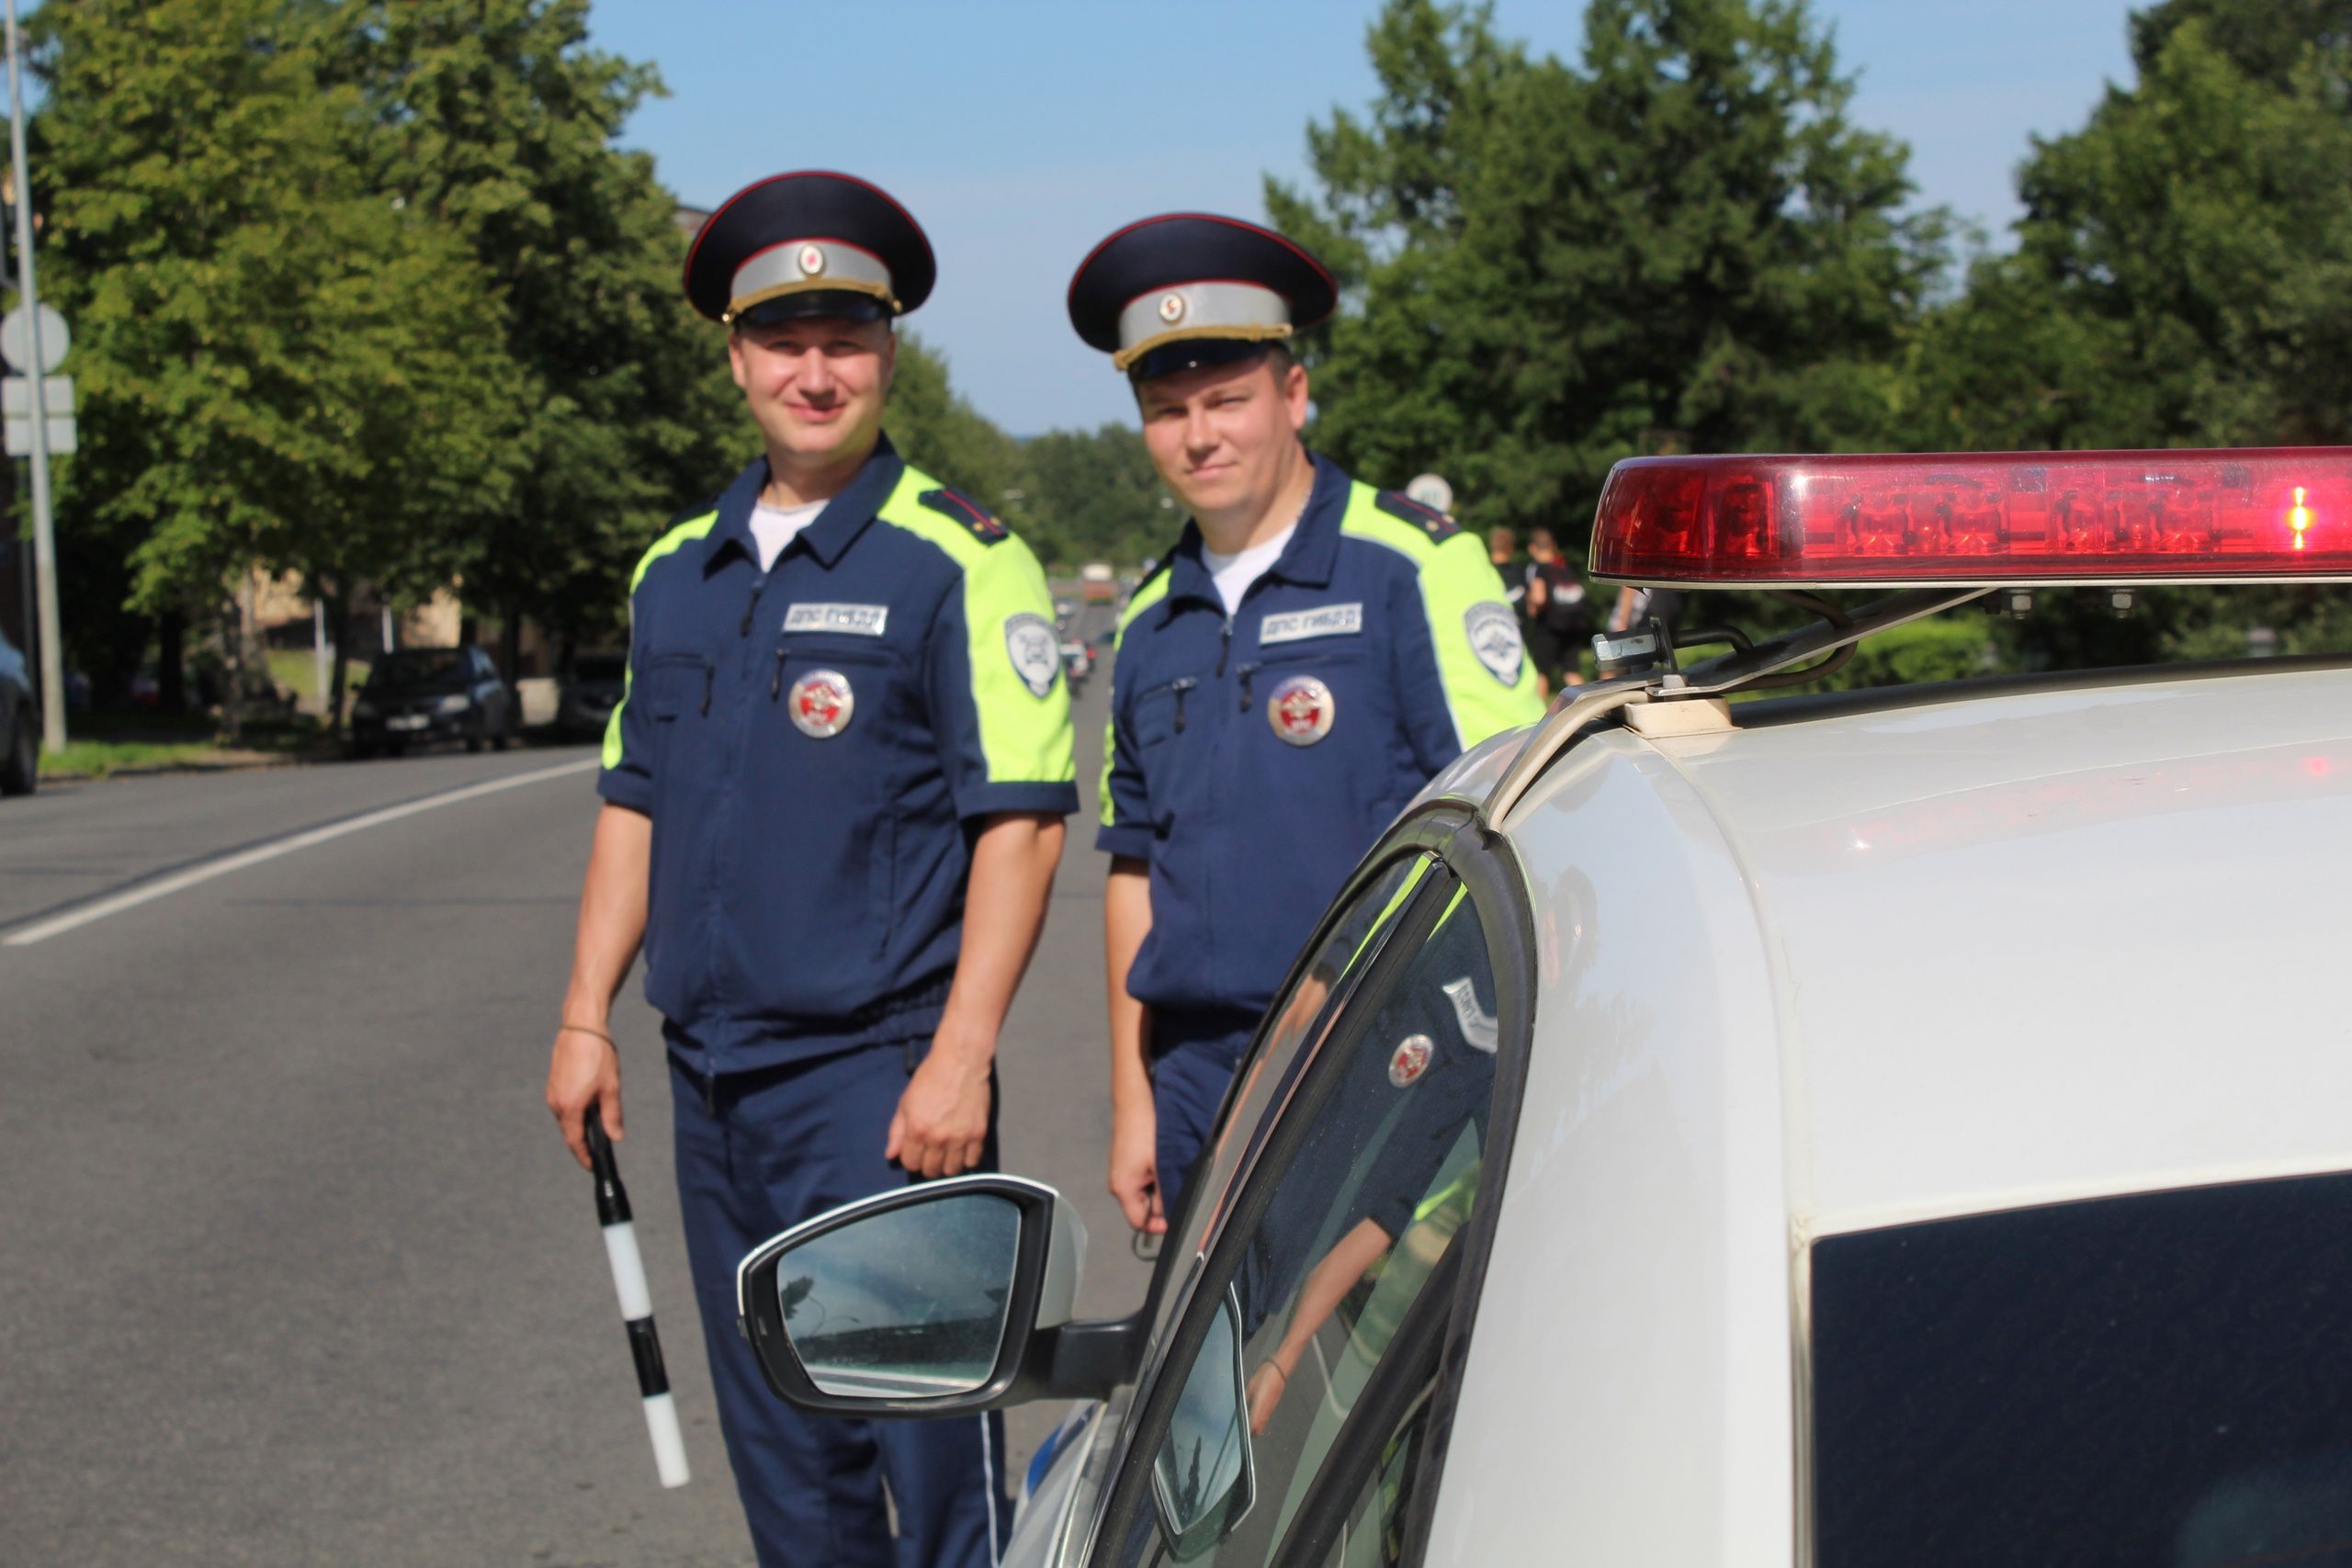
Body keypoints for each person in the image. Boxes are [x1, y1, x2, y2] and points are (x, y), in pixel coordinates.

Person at [543, 170, 1074, 1568]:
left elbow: (1018, 823)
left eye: (846, 340)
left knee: (934, 1459)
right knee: (791, 1466)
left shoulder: (959, 557)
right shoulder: (678, 569)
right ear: (736, 357)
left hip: (879, 1086)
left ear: (887, 354)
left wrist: (961, 1055)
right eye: (785, 341)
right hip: (711, 1085)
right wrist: (587, 1010)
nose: (815, 371)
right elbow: (632, 805)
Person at [1069, 211, 1545, 1236]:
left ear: (1292, 393)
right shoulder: (1149, 621)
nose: (1199, 435)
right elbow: (1133, 869)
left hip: (1379, 1055)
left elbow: (1515, 822)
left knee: (1365, 1386)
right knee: (1213, 1391)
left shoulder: (1411, 566)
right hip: (1196, 1079)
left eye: (1227, 400)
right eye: (1166, 409)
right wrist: (1134, 1101)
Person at [1521, 526, 1590, 698]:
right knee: (1571, 671)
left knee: (1542, 672)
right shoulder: (1563, 566)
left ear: (1533, 548)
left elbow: (1539, 598)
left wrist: (1531, 607)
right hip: (1572, 625)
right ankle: (1590, 707)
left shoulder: (1539, 568)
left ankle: (1536, 717)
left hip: (1548, 627)